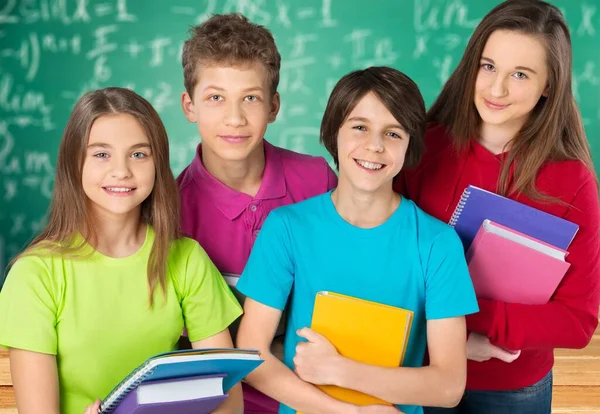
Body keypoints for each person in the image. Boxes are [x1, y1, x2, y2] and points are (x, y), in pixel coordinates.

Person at [236, 66, 479, 414]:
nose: (374, 146)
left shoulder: (437, 244)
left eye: (393, 133)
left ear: (410, 144)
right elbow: (254, 355)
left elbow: (449, 386)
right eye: (360, 127)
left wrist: (340, 370)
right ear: (334, 132)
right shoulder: (287, 228)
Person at [395, 1, 600, 413]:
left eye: (520, 74)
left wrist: (478, 326)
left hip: (510, 388)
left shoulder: (571, 182)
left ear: (548, 85)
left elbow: (578, 321)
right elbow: (390, 264)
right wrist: (457, 335)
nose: (497, 89)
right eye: (488, 67)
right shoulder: (423, 147)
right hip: (420, 368)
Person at [0, 87, 243, 414]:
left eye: (138, 154)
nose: (121, 171)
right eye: (101, 154)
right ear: (75, 163)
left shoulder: (187, 259)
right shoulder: (35, 274)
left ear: (158, 164)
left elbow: (229, 403)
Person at [176, 13, 337, 413]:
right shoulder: (170, 207)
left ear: (274, 105)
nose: (234, 118)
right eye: (215, 98)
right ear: (189, 105)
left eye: (250, 97)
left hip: (318, 392)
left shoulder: (317, 180)